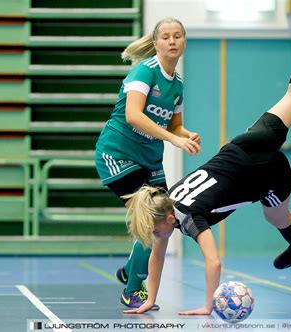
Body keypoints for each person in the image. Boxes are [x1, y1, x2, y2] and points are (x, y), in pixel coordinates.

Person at [122, 14, 291, 315]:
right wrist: (149, 298)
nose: (156, 238)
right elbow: (157, 255)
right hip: (245, 144)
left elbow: (214, 260)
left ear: (169, 219)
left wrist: (208, 307)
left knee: (277, 217)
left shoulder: (189, 218)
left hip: (265, 175)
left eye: (155, 231)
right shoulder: (166, 199)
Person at [94, 17, 202, 309]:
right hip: (117, 154)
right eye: (165, 37)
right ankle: (132, 289)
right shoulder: (145, 71)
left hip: (149, 160)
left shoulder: (177, 84)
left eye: (177, 36)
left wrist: (184, 134)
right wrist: (172, 139)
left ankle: (131, 270)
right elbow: (133, 115)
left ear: (184, 42)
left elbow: (175, 124)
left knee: (166, 223)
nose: (171, 41)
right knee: (153, 220)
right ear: (156, 43)